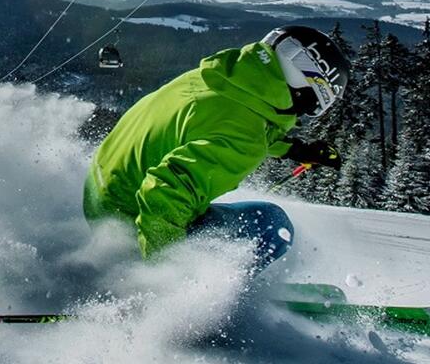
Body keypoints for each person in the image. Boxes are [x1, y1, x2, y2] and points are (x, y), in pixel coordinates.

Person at [84, 25, 351, 273]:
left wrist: (293, 150)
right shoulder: (245, 138)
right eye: (322, 100)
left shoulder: (218, 79)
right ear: (307, 83)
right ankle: (222, 300)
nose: (314, 110)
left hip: (102, 192)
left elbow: (221, 125)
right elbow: (164, 196)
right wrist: (163, 283)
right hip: (132, 220)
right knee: (272, 224)